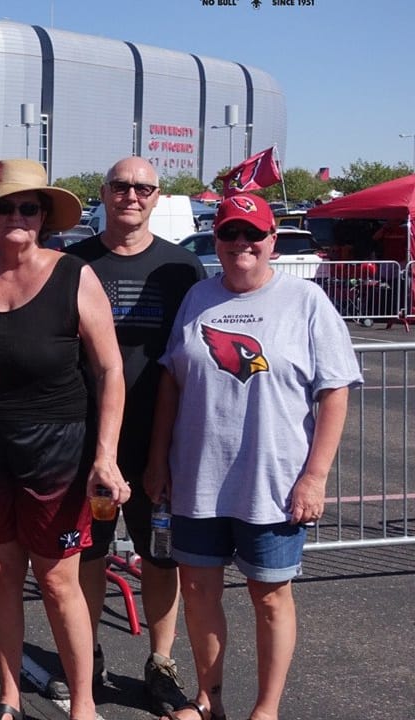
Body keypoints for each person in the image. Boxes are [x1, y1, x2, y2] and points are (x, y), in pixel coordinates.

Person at [145, 194, 361, 720]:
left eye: (254, 235)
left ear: (272, 241)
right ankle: (207, 698)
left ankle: (266, 710)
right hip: (197, 476)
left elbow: (335, 390)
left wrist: (315, 477)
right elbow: (173, 379)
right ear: (216, 240)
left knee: (270, 597)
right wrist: (158, 460)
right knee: (197, 590)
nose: (242, 244)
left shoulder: (306, 301)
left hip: (274, 481)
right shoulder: (198, 296)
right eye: (230, 234)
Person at [0, 158, 128, 720]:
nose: (16, 216)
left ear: (45, 216)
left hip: (58, 449)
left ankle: (83, 705)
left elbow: (109, 371)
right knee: (2, 572)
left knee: (56, 579)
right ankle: (8, 696)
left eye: (28, 207)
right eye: (4, 206)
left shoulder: (74, 274)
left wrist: (106, 456)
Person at [57, 157, 206, 715]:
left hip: (158, 444)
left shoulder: (180, 267)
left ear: (156, 196)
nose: (131, 196)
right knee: (88, 555)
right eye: (121, 186)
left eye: (143, 188)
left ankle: (160, 660)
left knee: (159, 557)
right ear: (104, 191)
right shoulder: (73, 262)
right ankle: (86, 654)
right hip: (87, 445)